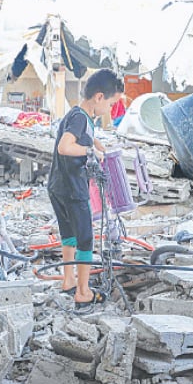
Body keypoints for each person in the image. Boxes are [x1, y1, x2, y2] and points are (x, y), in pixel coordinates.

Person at [47, 68, 124, 312]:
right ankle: (83, 292)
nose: (111, 111)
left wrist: (100, 146)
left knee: (69, 235)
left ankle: (68, 280)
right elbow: (65, 147)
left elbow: (87, 138)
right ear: (99, 97)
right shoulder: (80, 118)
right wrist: (93, 153)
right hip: (73, 188)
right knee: (86, 239)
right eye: (112, 104)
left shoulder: (79, 115)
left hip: (58, 186)